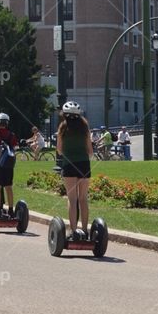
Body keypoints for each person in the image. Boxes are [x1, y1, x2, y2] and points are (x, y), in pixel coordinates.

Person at [56, 101, 92, 239]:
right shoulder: (85, 127)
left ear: (64, 115)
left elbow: (59, 150)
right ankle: (85, 231)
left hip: (69, 165)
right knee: (83, 199)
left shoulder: (63, 127)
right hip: (84, 164)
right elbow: (90, 151)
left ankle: (73, 231)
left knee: (72, 199)